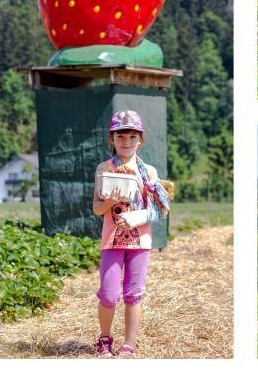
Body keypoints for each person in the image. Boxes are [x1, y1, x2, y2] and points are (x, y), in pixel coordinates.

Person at [93, 110, 170, 358]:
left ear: (140, 140)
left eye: (132, 137)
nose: (126, 142)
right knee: (108, 294)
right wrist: (110, 201)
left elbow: (159, 208)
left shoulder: (149, 172)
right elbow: (97, 208)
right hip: (111, 241)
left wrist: (137, 217)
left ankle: (129, 344)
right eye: (121, 136)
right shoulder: (104, 169)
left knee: (133, 294)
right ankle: (104, 339)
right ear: (112, 139)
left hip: (140, 242)